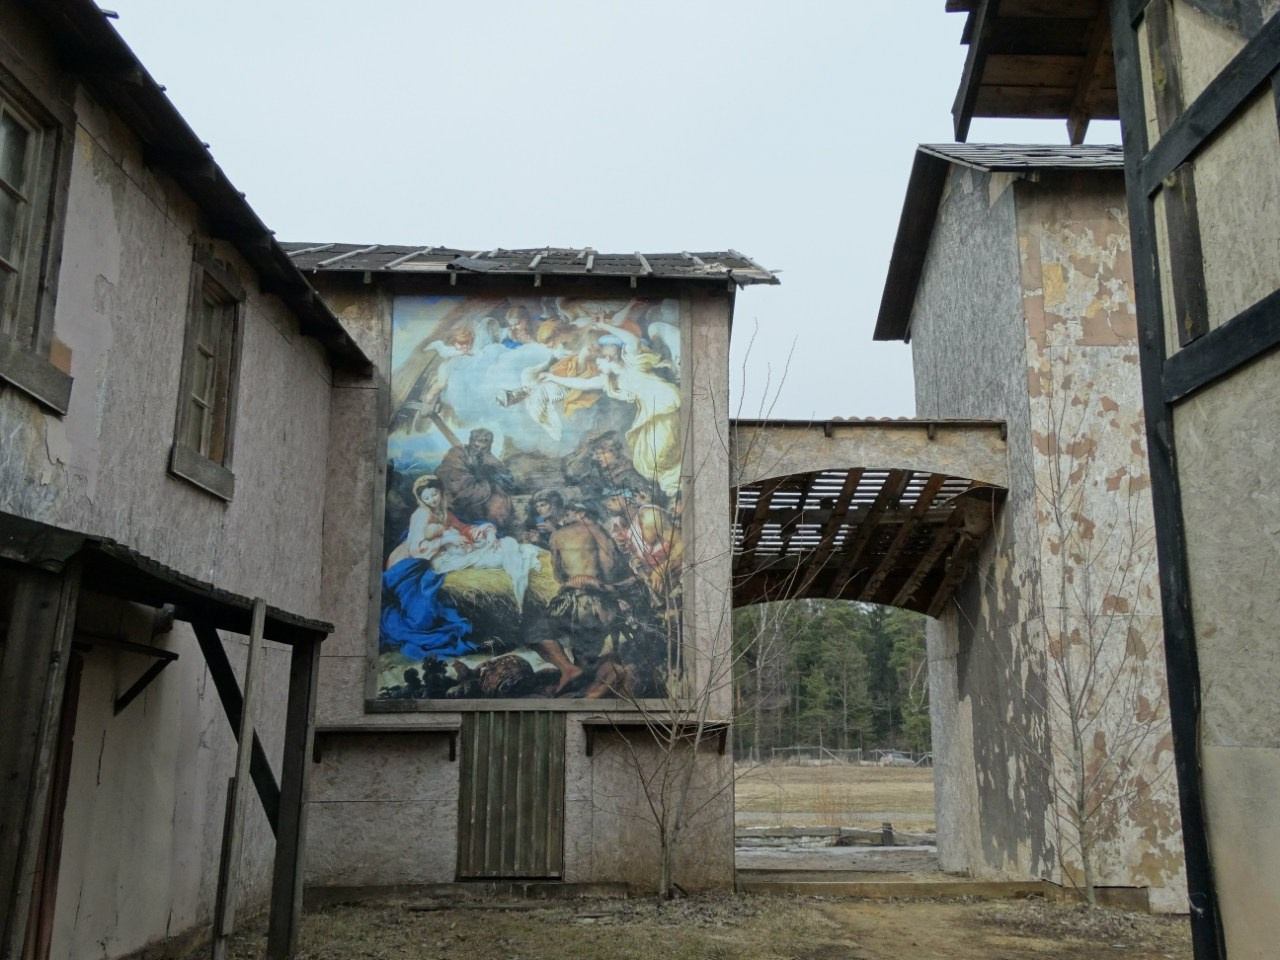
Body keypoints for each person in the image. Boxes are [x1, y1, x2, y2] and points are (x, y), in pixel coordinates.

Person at [538, 327, 682, 500]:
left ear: (608, 357)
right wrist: (553, 378)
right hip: (648, 416)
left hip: (663, 406)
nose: (597, 367)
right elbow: (583, 383)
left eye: (598, 362)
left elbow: (632, 340)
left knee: (659, 452)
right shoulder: (614, 381)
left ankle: (676, 484)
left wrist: (605, 325)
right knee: (645, 462)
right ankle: (675, 488)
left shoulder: (633, 362)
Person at [436, 428, 516, 533]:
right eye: (476, 446)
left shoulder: (491, 459)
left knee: (500, 503)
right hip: (457, 500)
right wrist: (483, 484)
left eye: (484, 448)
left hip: (484, 499)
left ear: (489, 447)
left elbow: (508, 480)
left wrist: (493, 472)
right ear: (471, 442)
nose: (479, 450)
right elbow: (454, 479)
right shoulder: (457, 454)